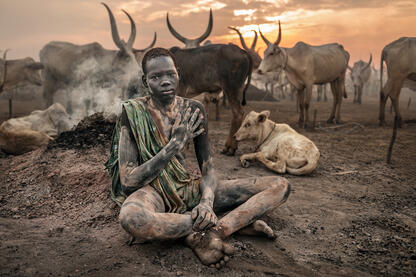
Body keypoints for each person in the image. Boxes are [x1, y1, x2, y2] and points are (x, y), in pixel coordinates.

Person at [106, 47, 290, 267]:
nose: (165, 81)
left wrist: (205, 202)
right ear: (146, 82)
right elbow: (128, 181)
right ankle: (225, 227)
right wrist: (173, 146)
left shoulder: (194, 109)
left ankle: (217, 230)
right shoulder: (132, 112)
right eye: (156, 77)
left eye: (170, 74)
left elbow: (208, 170)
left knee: (280, 185)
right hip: (151, 192)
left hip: (187, 188)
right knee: (131, 218)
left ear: (178, 74)